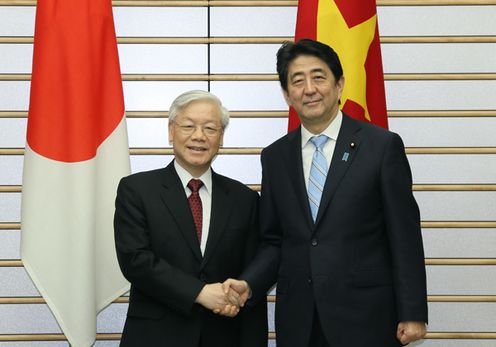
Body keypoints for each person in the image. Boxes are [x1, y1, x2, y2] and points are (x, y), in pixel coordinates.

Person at [224, 39, 428, 347]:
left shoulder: (382, 146)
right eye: (297, 81)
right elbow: (274, 240)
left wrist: (412, 311)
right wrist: (249, 283)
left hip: (367, 317)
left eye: (319, 77)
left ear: (339, 84)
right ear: (286, 94)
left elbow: (404, 234)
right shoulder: (275, 157)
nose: (309, 89)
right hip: (300, 321)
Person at [114, 90, 267, 347]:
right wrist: (200, 293)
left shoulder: (245, 199)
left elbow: (250, 276)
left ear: (221, 138)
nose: (199, 136)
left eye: (210, 128)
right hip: (154, 337)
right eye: (188, 126)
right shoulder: (137, 190)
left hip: (224, 337)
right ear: (171, 131)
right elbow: (135, 260)